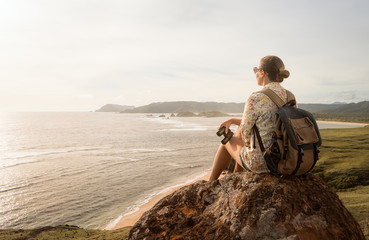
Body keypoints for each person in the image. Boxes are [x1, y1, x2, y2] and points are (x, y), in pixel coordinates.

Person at [208, 55, 291, 181]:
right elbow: (270, 122)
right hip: (285, 159)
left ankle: (209, 183)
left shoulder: (256, 97)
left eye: (255, 70)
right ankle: (236, 173)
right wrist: (232, 121)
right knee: (238, 131)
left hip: (265, 163)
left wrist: (238, 137)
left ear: (262, 72)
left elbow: (246, 133)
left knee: (226, 142)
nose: (255, 73)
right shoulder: (290, 96)